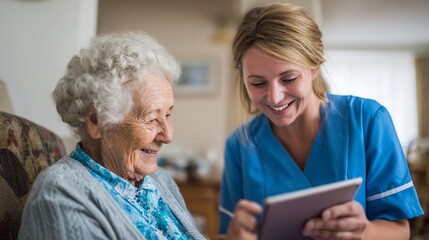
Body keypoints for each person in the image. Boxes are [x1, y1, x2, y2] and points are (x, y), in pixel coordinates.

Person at [219, 3, 423, 240]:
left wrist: (363, 232)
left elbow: (401, 230)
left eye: (289, 78)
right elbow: (230, 232)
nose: (274, 97)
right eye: (257, 83)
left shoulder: (367, 120)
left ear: (314, 68)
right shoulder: (239, 145)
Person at [17, 31, 209, 239]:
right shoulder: (61, 195)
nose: (167, 136)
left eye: (168, 114)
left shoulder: (160, 180)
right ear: (96, 121)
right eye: (152, 119)